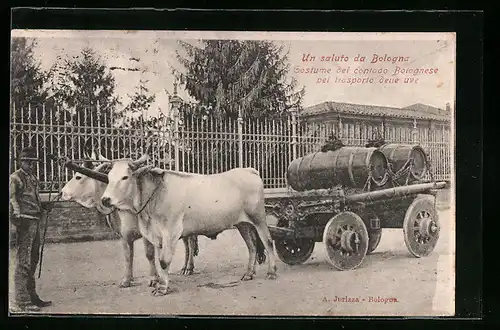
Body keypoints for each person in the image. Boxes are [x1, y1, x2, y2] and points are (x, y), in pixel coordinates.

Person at [10, 147, 52, 313]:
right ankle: (22, 301)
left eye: (33, 162)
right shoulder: (15, 178)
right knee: (24, 261)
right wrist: (17, 217)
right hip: (25, 222)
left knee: (34, 258)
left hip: (35, 219)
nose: (31, 165)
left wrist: (44, 207)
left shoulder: (33, 178)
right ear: (21, 161)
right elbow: (12, 199)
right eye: (28, 162)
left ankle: (32, 295)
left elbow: (34, 199)